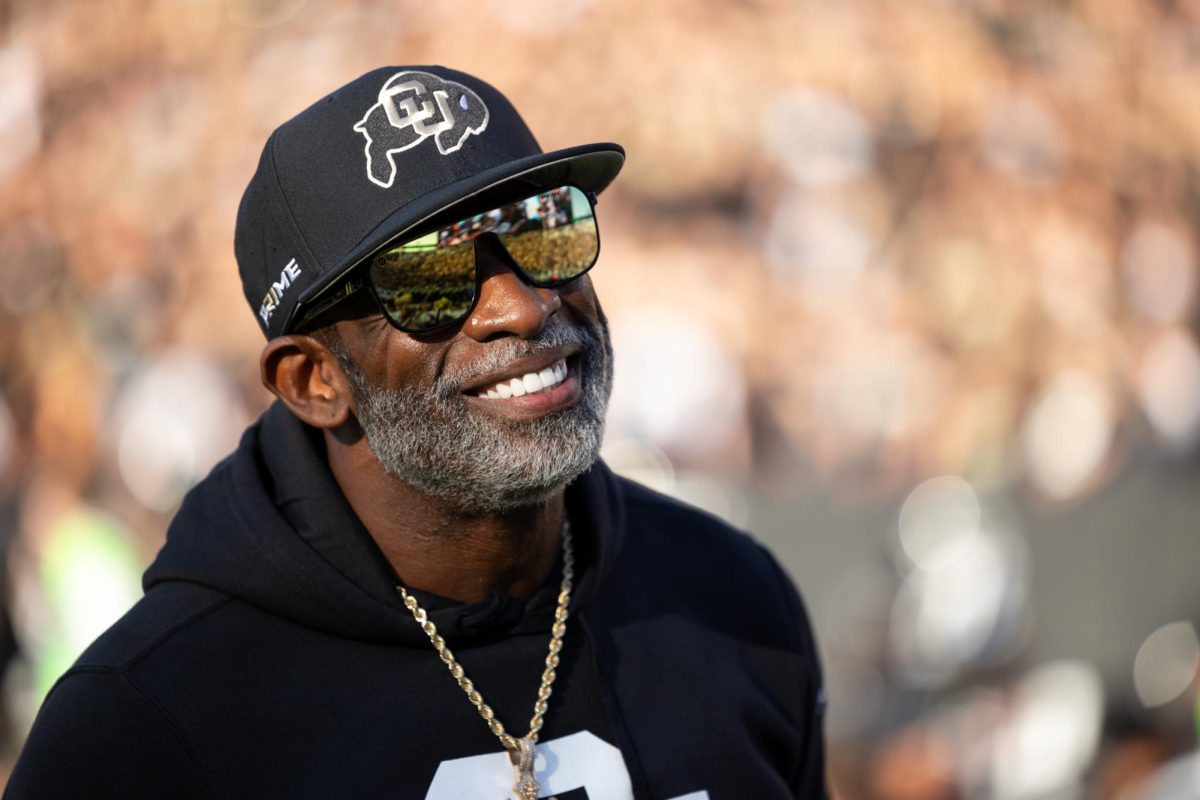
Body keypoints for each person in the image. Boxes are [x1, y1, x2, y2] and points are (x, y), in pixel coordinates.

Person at [6, 66, 828, 799]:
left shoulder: (733, 599)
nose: (523, 306)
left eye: (544, 229)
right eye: (430, 277)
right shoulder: (147, 719)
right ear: (314, 382)